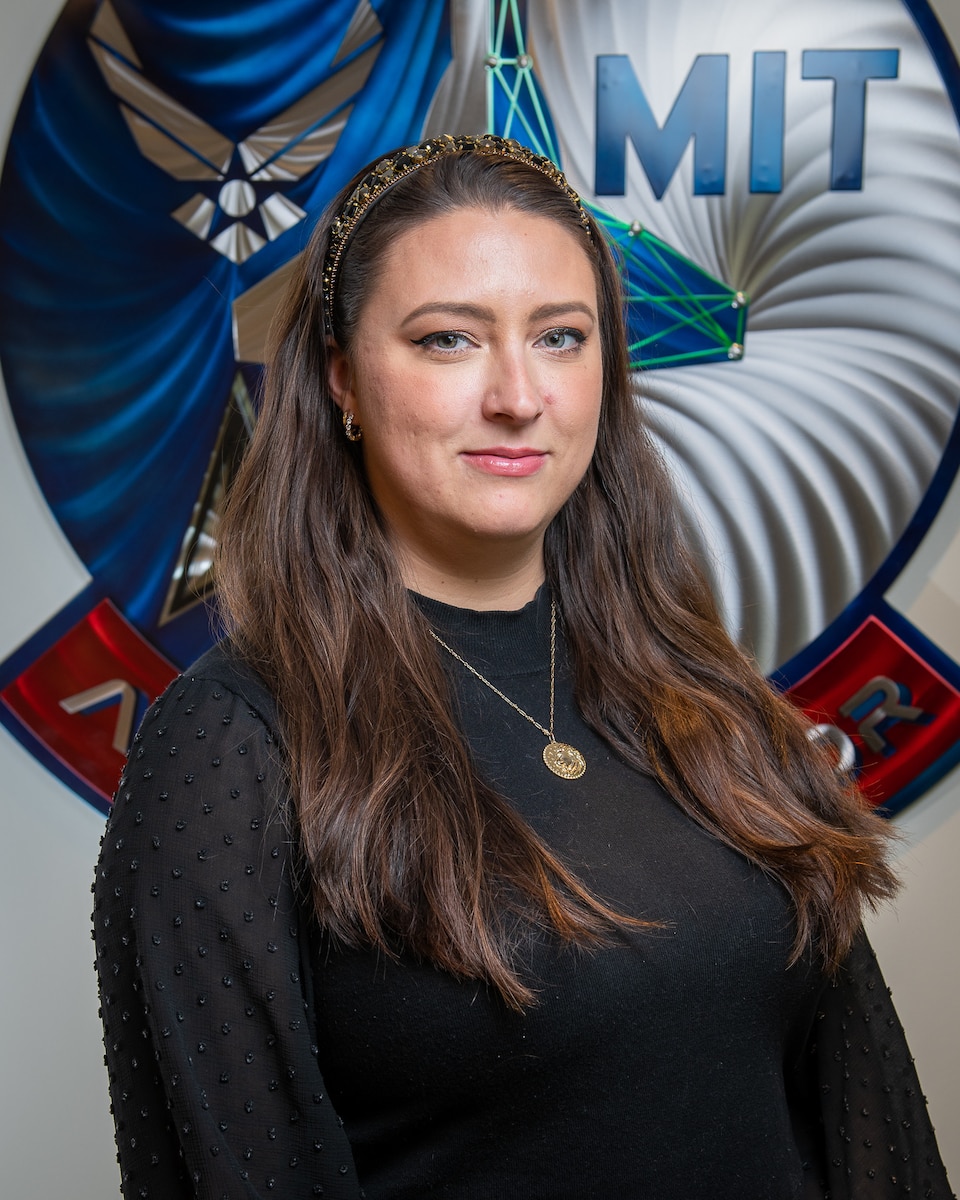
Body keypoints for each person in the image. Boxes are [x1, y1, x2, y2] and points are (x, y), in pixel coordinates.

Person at [93, 133, 953, 1200]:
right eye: (449, 340)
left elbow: (868, 1116)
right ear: (341, 379)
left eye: (560, 336)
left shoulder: (702, 686)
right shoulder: (233, 743)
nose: (517, 394)